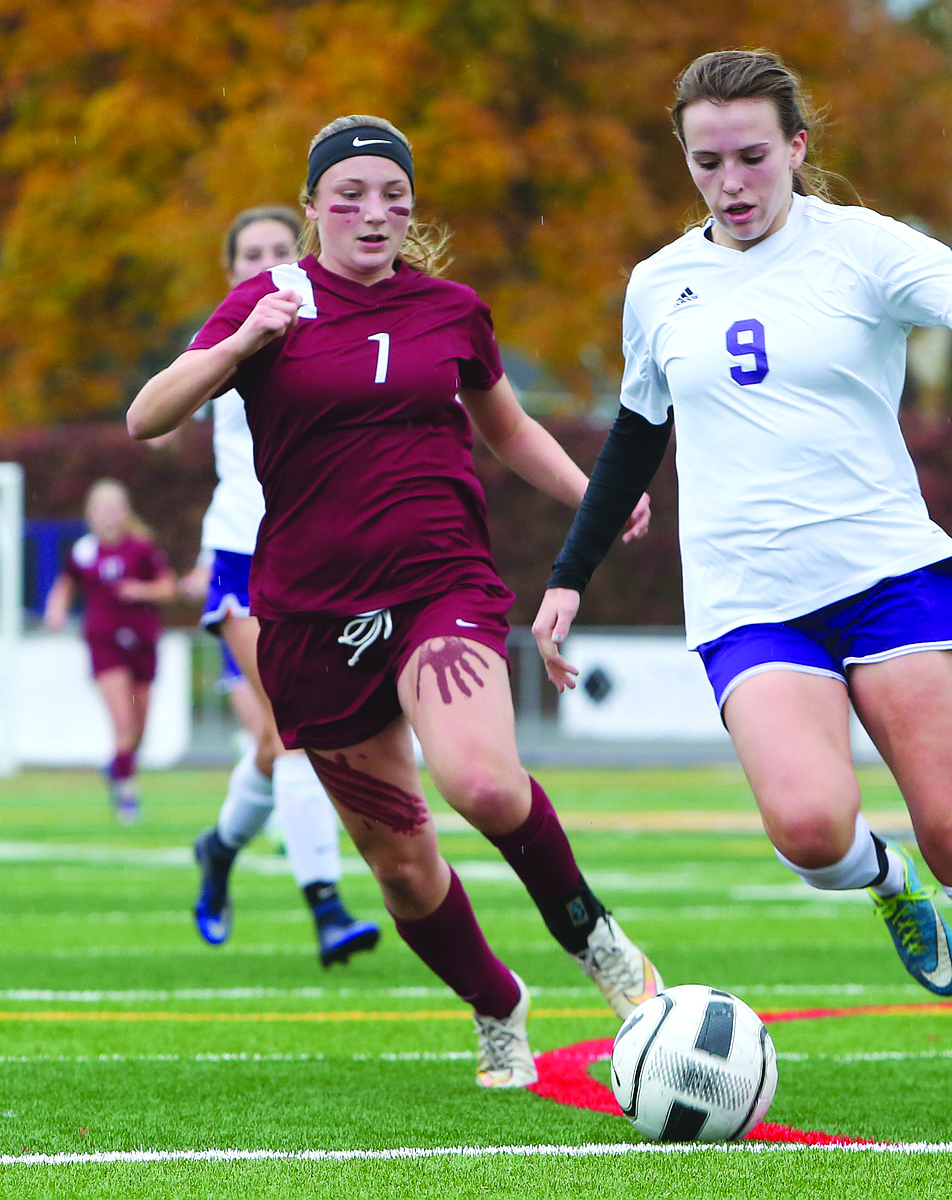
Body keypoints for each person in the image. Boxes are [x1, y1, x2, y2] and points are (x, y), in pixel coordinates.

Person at [532, 50, 952, 1129]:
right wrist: (570, 575)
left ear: (797, 148)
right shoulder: (660, 285)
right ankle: (888, 884)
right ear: (686, 162)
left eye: (753, 156)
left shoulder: (860, 248)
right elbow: (637, 436)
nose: (733, 182)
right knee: (806, 829)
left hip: (884, 574)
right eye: (709, 163)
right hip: (748, 594)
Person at [126, 115, 663, 1088]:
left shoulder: (451, 309)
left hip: (437, 589)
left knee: (486, 784)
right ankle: (498, 1003)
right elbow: (146, 416)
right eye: (351, 196)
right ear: (312, 210)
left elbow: (506, 429)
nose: (375, 212)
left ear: (412, 207)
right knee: (405, 868)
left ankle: (601, 945)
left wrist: (598, 495)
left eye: (393, 196)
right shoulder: (265, 304)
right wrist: (246, 337)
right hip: (308, 621)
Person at [178, 206, 380, 969]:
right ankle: (326, 905)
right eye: (249, 255)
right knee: (292, 733)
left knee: (274, 739)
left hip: (326, 558)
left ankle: (221, 846)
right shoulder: (225, 339)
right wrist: (242, 341)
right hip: (242, 553)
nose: (266, 263)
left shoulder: (336, 325)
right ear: (232, 273)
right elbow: (169, 406)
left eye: (277, 250)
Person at [43, 479, 176, 822]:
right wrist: (56, 608)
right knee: (123, 721)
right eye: (101, 508)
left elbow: (167, 588)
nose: (108, 515)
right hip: (105, 645)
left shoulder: (142, 548)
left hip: (143, 643)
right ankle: (127, 796)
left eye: (114, 508)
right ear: (90, 514)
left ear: (125, 512)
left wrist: (140, 591)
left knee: (140, 729)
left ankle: (115, 768)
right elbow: (65, 584)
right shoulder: (84, 551)